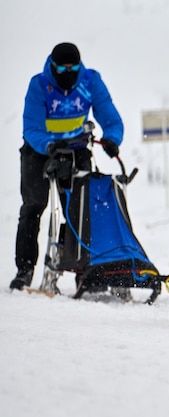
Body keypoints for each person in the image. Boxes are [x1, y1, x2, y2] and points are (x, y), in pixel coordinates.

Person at [10, 42, 124, 291]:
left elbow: (111, 118)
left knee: (79, 210)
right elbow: (31, 128)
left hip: (76, 148)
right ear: (53, 66)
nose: (67, 73)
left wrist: (112, 140)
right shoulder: (39, 85)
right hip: (41, 150)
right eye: (62, 68)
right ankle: (25, 270)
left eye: (72, 68)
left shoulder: (90, 81)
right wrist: (49, 146)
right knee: (34, 206)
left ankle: (83, 272)